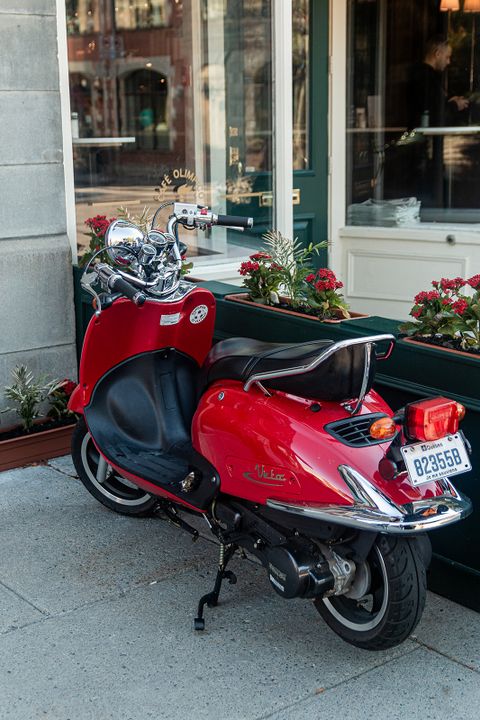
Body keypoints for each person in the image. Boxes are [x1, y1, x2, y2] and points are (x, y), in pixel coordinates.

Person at [409, 35, 469, 129]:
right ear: (437, 54)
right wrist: (455, 105)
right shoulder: (426, 78)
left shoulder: (425, 75)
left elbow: (432, 105)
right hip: (420, 134)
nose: (448, 62)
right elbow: (435, 115)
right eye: (447, 57)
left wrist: (448, 101)